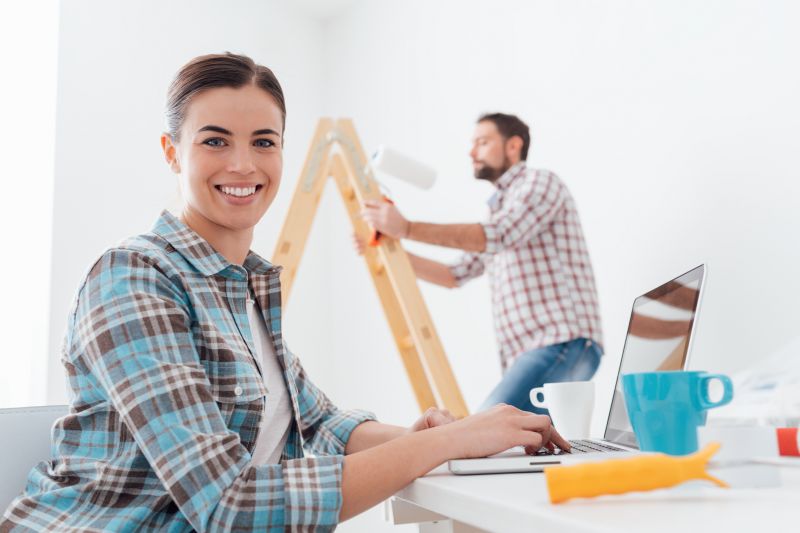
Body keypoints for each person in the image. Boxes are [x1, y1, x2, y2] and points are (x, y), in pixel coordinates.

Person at [0, 54, 569, 532]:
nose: (243, 164)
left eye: (263, 141)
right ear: (173, 152)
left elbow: (320, 425)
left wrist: (456, 437)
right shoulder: (133, 278)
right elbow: (227, 504)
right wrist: (446, 445)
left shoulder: (246, 286)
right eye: (215, 141)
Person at [359, 113, 603, 415]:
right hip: (537, 352)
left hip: (562, 343)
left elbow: (499, 234)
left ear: (513, 146)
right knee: (518, 444)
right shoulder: (499, 210)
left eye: (482, 142)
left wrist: (407, 228)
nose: (472, 152)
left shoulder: (539, 183)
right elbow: (453, 274)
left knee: (483, 429)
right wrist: (388, 251)